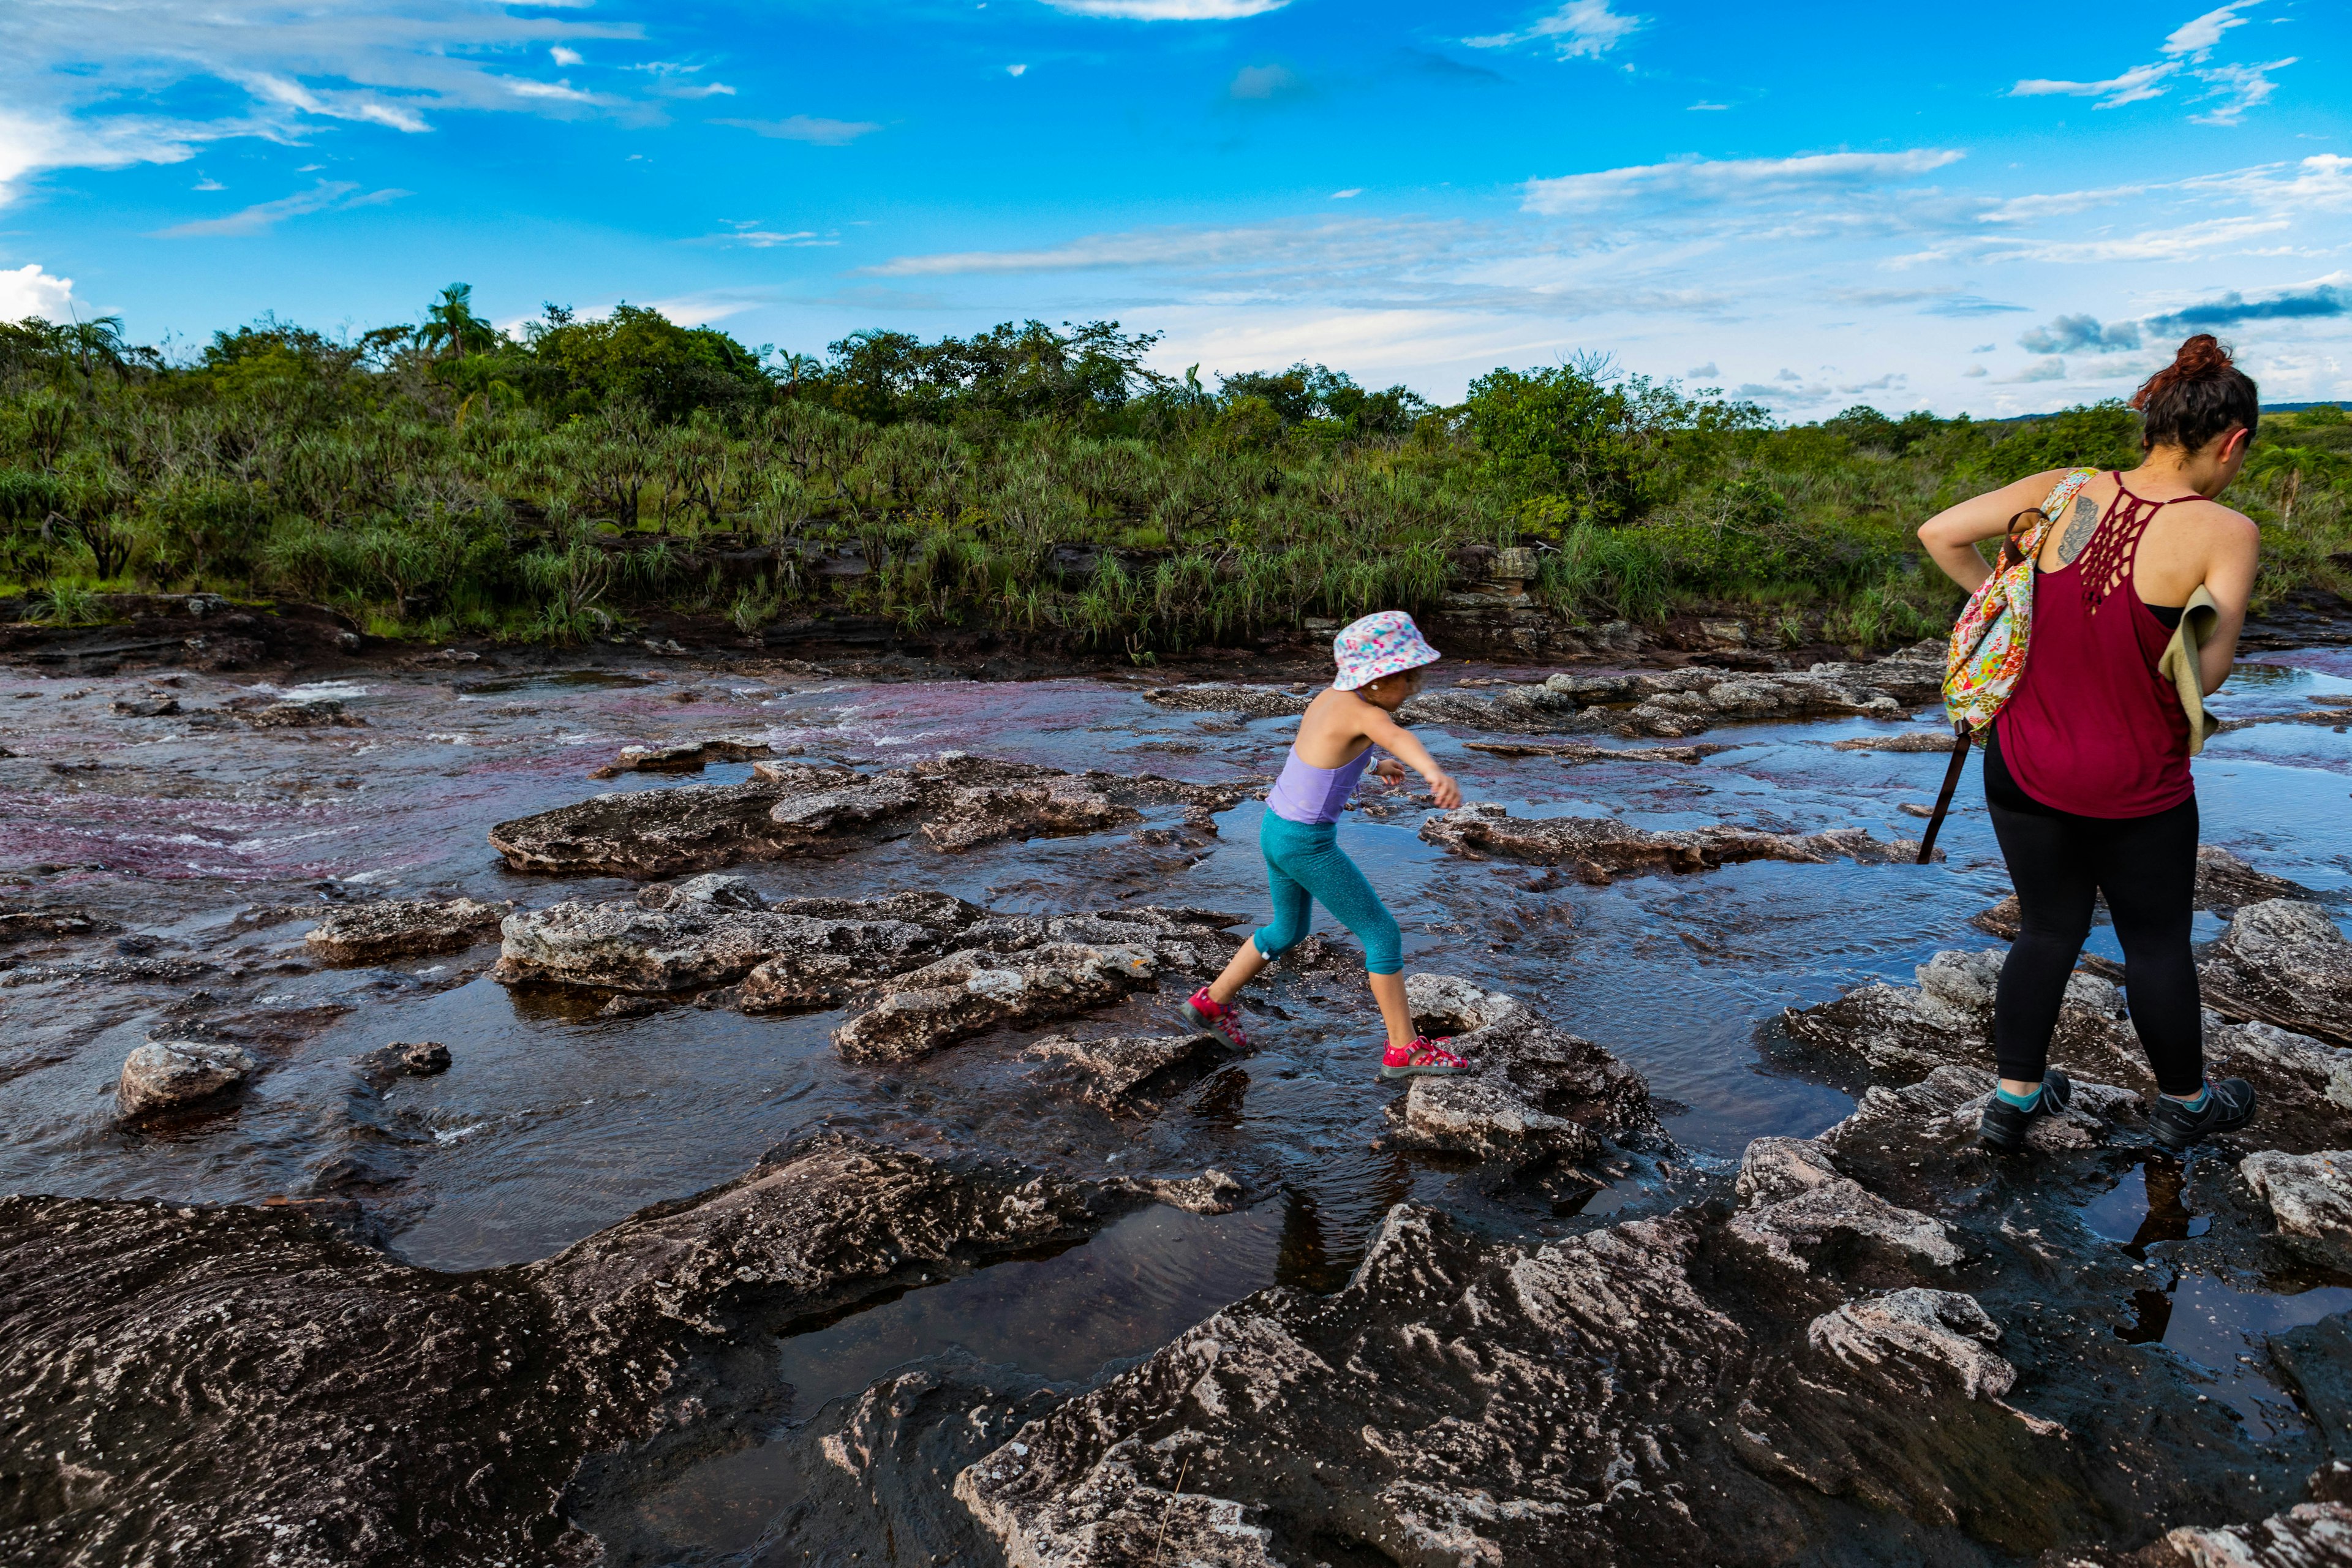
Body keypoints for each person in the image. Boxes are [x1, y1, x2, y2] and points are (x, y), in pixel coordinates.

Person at [1918, 333, 2261, 1153]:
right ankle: (2185, 1103)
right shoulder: (2225, 530)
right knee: (2155, 943)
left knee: (2046, 930)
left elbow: (1940, 533)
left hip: (2024, 768)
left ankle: (2015, 1100)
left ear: (2151, 425)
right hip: (2137, 780)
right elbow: (2204, 678)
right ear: (2233, 442)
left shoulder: (2058, 489)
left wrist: (2011, 604)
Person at [1178, 609, 1471, 1079]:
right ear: (1378, 680)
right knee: (1382, 934)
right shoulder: (1370, 713)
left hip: (1275, 828)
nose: (1416, 688)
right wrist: (1433, 771)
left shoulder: (1331, 699)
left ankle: (1211, 1003)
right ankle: (1404, 1050)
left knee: (1287, 931)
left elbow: (1324, 746)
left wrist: (1374, 767)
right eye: (1410, 679)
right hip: (1306, 843)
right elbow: (1396, 736)